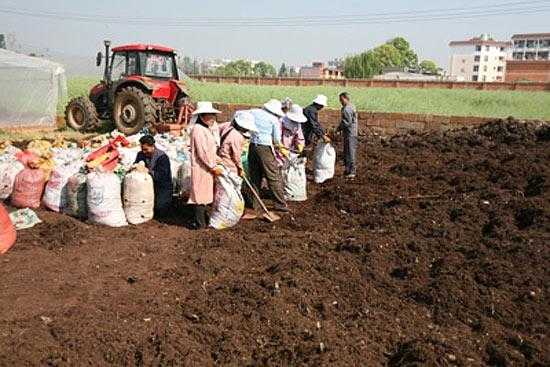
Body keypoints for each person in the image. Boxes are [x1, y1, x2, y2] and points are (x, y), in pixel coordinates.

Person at [247, 99, 290, 212]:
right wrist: (281, 148)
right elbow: (276, 139)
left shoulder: (253, 112)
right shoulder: (274, 120)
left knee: (255, 176)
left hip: (252, 146)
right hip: (265, 148)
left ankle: (254, 203)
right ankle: (280, 204)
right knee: (273, 176)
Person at [187, 101, 223, 229]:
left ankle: (201, 220)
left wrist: (217, 159)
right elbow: (202, 152)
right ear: (202, 116)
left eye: (213, 115)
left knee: (205, 194)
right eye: (210, 116)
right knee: (200, 195)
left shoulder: (206, 129)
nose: (213, 118)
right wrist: (212, 166)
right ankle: (199, 223)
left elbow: (209, 150)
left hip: (207, 167)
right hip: (202, 167)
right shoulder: (198, 130)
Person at [134, 135, 173, 217]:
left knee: (159, 209)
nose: (144, 152)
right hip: (145, 186)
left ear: (152, 146)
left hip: (161, 186)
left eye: (146, 149)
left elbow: (162, 176)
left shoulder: (162, 157)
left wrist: (148, 171)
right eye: (142, 149)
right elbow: (137, 165)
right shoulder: (140, 155)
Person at [218, 111, 258, 177]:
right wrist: (240, 169)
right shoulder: (237, 136)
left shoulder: (227, 126)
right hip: (229, 165)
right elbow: (236, 156)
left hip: (221, 161)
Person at [337, 92, 358, 178]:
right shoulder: (351, 106)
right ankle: (348, 169)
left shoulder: (347, 109)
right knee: (347, 151)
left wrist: (338, 129)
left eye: (341, 100)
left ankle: (352, 171)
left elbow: (346, 122)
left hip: (350, 133)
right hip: (350, 133)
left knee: (350, 152)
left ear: (346, 98)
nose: (340, 102)